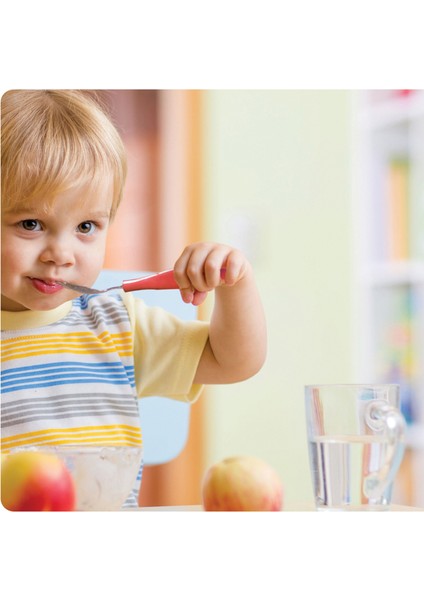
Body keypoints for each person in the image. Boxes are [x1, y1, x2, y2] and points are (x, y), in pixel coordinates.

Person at [1, 90, 267, 507]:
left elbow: (234, 360)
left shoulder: (117, 324)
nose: (62, 254)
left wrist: (236, 285)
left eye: (86, 226)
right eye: (31, 223)